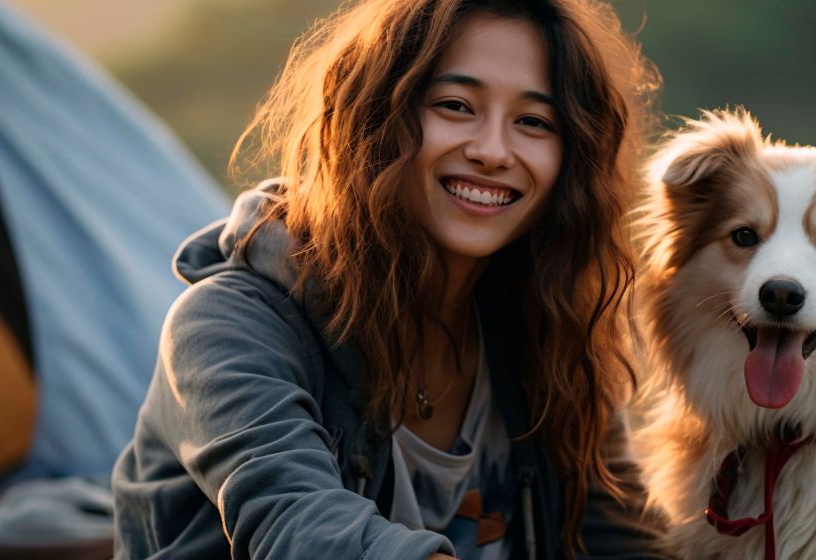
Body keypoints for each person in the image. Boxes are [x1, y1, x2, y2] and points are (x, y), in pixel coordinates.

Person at [112, 0, 667, 558]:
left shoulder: (549, 328)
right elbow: (297, 526)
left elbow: (620, 541)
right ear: (376, 118)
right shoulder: (225, 327)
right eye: (455, 105)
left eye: (534, 122)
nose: (493, 151)